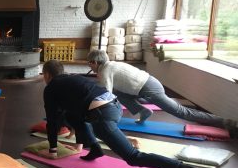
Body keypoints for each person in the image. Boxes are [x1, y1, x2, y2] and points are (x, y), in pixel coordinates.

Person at [37, 60, 199, 168]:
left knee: (133, 157)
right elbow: (72, 115)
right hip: (115, 106)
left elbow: (52, 121)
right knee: (70, 114)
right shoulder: (73, 78)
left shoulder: (51, 88)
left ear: (47, 74)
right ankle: (95, 148)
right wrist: (79, 141)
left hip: (102, 115)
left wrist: (53, 151)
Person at [86, 49, 237, 134]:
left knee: (182, 112)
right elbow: (109, 91)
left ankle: (227, 122)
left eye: (90, 64)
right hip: (145, 85)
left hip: (149, 88)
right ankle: (143, 111)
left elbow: (105, 94)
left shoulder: (105, 70)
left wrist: (90, 111)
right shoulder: (110, 65)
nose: (89, 67)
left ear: (95, 62)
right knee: (118, 93)